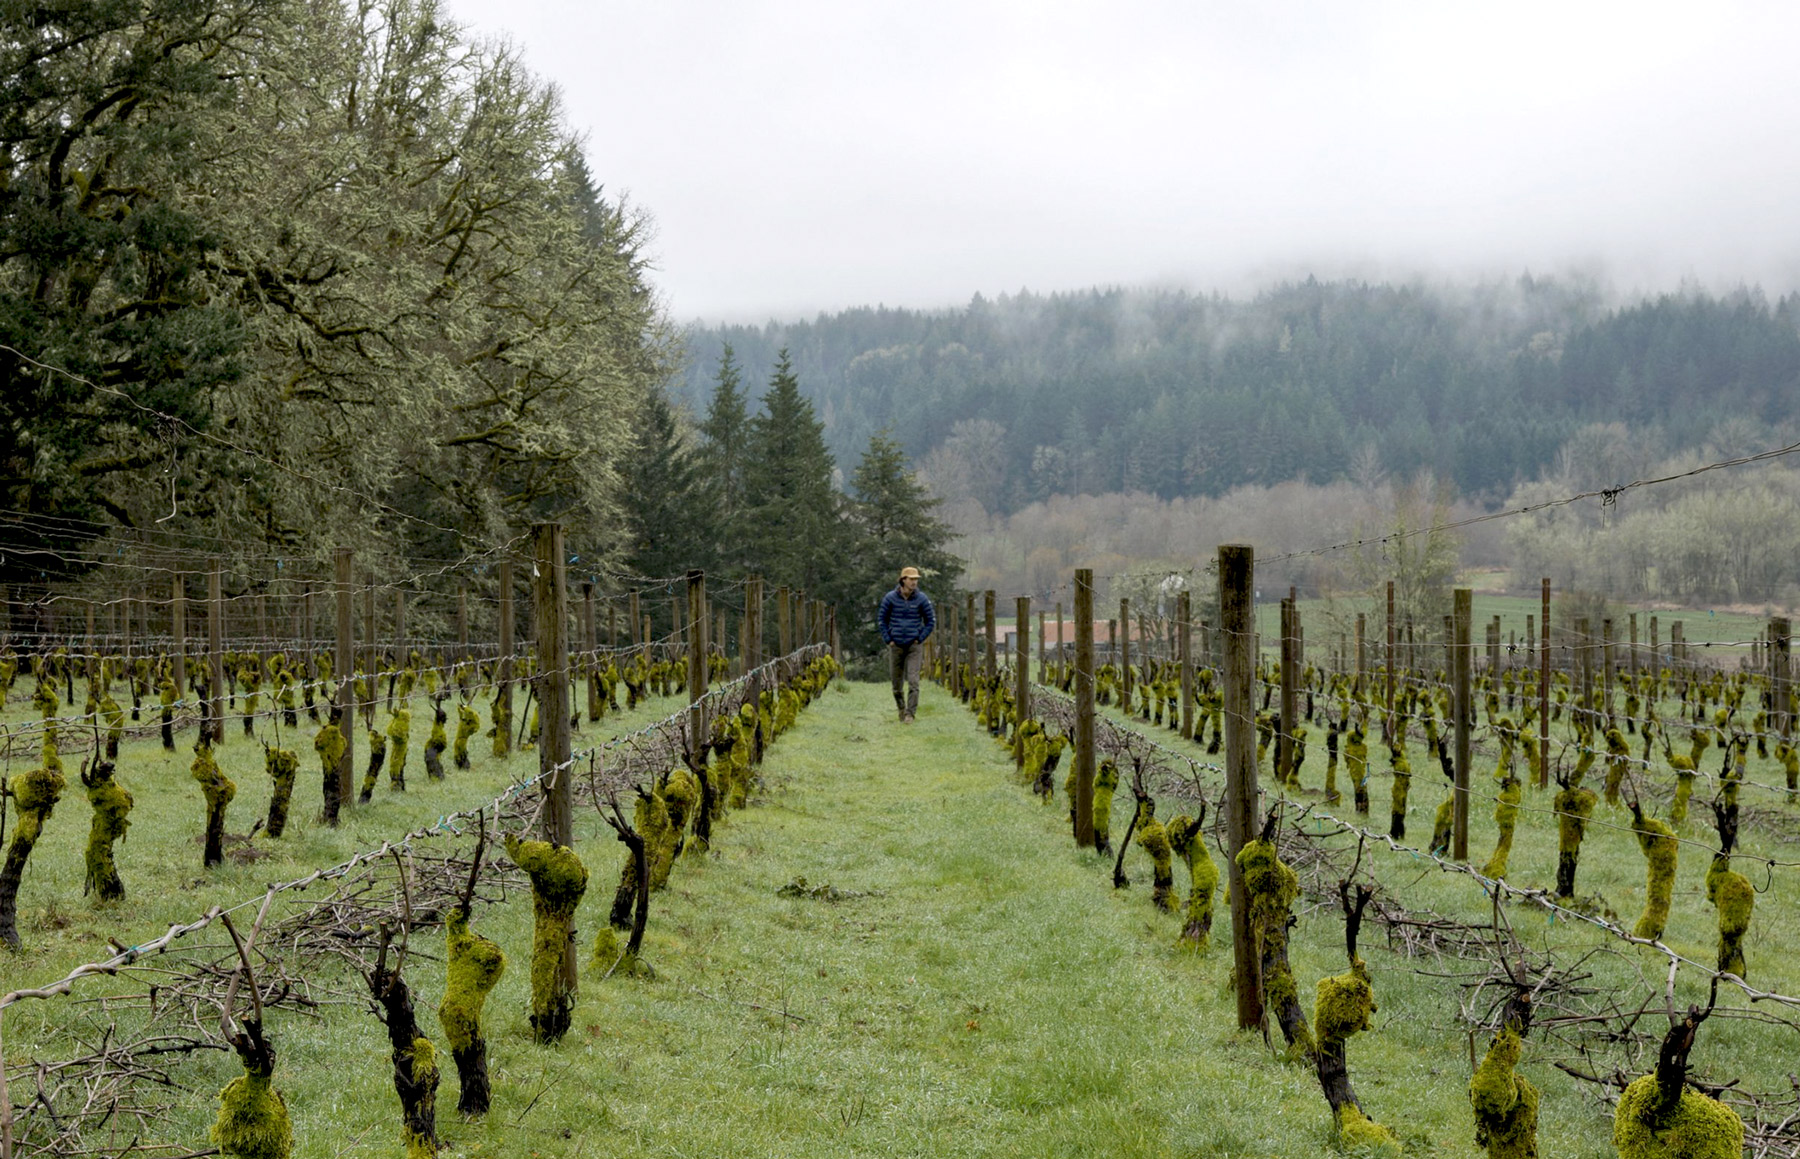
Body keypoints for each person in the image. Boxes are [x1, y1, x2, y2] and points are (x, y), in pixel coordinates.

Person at [879, 566, 935, 723]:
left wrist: (920, 638)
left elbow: (930, 621)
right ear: (903, 580)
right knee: (896, 684)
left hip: (914, 646)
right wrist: (888, 639)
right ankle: (901, 709)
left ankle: (910, 713)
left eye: (916, 579)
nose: (914, 582)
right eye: (911, 579)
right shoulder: (890, 598)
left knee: (913, 681)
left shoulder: (922, 599)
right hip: (895, 645)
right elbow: (882, 620)